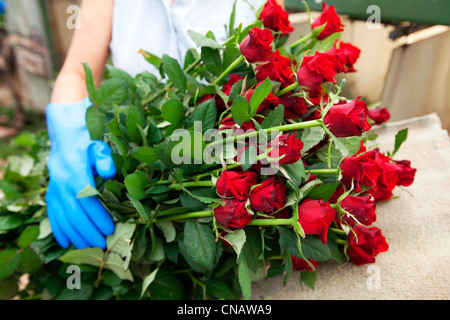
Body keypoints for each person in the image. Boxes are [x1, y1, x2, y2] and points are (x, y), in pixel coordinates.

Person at [46, 0, 286, 250]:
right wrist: (67, 133)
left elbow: (274, 62)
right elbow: (77, 72)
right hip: (141, 165)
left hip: (230, 163)